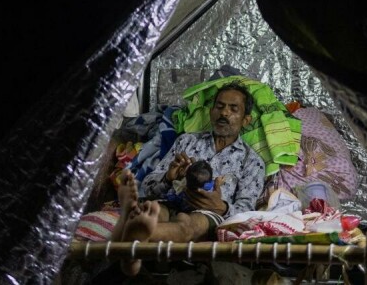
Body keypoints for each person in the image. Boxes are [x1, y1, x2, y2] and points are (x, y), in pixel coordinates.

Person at [111, 80, 266, 276]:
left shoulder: (252, 161)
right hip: (170, 201)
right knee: (154, 212)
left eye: (233, 109)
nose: (224, 113)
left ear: (246, 120)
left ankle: (133, 237)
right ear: (211, 112)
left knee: (187, 226)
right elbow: (148, 188)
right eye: (219, 106)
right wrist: (168, 177)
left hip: (209, 213)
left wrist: (222, 207)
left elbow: (248, 211)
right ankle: (136, 234)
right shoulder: (187, 141)